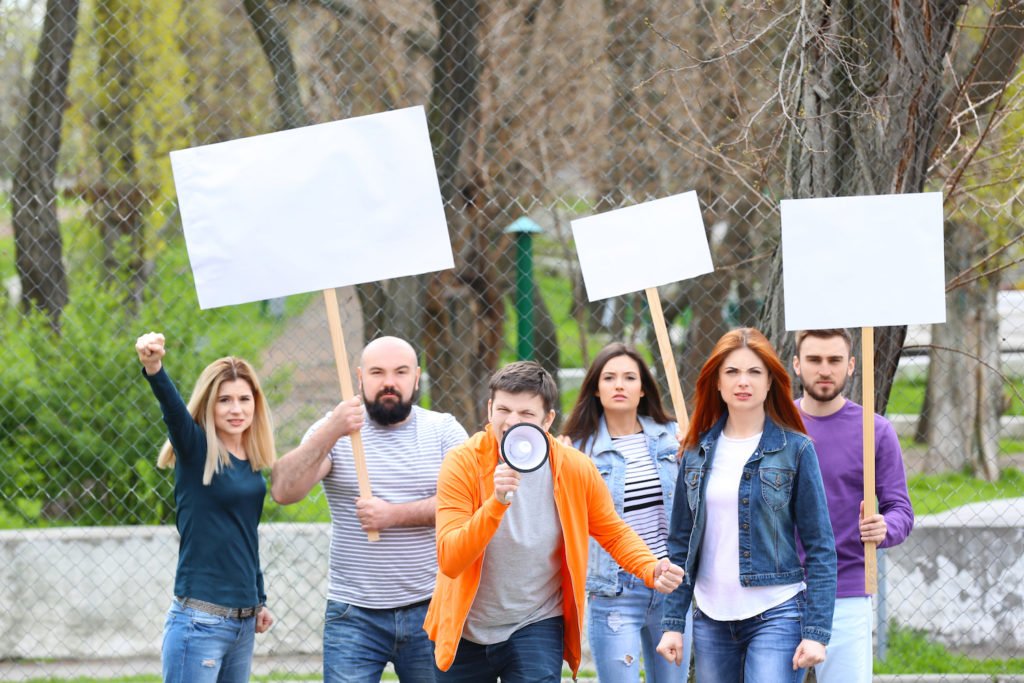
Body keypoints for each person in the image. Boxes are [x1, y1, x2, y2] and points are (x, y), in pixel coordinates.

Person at [425, 360, 685, 682]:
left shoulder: (574, 468)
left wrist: (650, 566)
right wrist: (496, 503)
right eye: (503, 410)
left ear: (548, 420)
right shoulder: (462, 463)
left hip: (536, 620)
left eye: (526, 414)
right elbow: (450, 560)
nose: (511, 422)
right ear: (490, 409)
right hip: (467, 625)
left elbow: (612, 531)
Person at [271, 336, 468, 683]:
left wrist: (394, 515)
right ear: (360, 377)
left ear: (417, 377)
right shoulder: (335, 431)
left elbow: (468, 503)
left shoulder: (443, 430)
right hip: (354, 614)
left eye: (400, 372)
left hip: (432, 607)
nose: (389, 382)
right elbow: (284, 490)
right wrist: (332, 429)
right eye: (377, 372)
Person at [656, 328, 837, 683]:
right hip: (710, 617)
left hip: (777, 612)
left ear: (771, 382)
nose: (743, 381)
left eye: (754, 372)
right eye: (732, 372)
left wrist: (816, 631)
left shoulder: (796, 450)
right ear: (717, 384)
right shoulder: (695, 452)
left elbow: (820, 548)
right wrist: (674, 624)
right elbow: (680, 546)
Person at [135, 331, 275, 683]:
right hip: (200, 622)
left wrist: (258, 599)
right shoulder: (197, 451)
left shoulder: (252, 463)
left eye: (244, 398)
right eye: (224, 400)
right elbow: (174, 413)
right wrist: (154, 367)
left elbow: (245, 537)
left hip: (243, 623)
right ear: (209, 405)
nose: (236, 409)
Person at [560, 342, 692, 682]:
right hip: (615, 587)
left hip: (670, 582)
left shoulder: (671, 438)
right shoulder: (576, 449)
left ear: (643, 387)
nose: (620, 385)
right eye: (609, 377)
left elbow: (696, 505)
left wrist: (695, 452)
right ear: (595, 389)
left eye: (630, 377)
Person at [792, 328, 914, 683]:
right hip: (779, 591)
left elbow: (900, 510)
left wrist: (885, 527)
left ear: (851, 365)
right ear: (797, 365)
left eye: (834, 360)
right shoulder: (775, 426)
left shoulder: (874, 431)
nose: (824, 370)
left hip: (846, 590)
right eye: (814, 360)